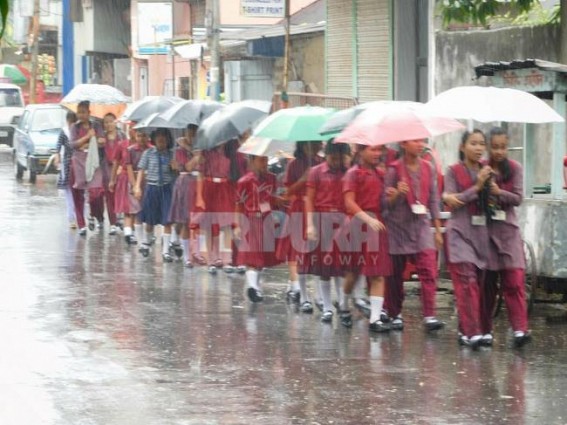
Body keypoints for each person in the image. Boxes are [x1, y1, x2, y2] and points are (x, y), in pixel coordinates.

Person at [384, 139, 445, 332]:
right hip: (398, 228)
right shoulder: (393, 170)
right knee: (395, 275)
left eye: (423, 141)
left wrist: (437, 228)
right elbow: (385, 205)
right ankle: (395, 313)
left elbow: (434, 200)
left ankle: (429, 315)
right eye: (415, 140)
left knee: (428, 270)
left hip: (421, 227)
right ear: (403, 143)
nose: (420, 144)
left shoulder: (428, 168)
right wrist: (397, 194)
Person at [480, 127, 531, 348]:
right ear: (489, 147)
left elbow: (518, 198)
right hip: (487, 232)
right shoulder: (482, 167)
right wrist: (482, 185)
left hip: (508, 232)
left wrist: (498, 192)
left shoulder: (515, 168)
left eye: (503, 147)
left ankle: (520, 329)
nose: (499, 151)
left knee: (514, 281)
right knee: (487, 283)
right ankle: (484, 329)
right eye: (495, 147)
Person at [443, 130, 491, 349]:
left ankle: (465, 330)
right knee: (467, 282)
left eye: (482, 144)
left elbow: (495, 202)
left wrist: (490, 189)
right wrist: (477, 187)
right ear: (462, 147)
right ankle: (472, 332)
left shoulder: (488, 171)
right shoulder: (452, 172)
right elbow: (453, 201)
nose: (479, 148)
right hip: (459, 234)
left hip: (481, 236)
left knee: (478, 285)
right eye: (473, 143)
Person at [339, 144, 392, 333]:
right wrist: (367, 218)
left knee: (378, 273)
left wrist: (392, 196)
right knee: (353, 272)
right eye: (372, 149)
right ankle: (344, 305)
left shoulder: (380, 174)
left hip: (376, 226)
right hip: (356, 225)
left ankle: (375, 319)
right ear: (360, 151)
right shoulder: (353, 174)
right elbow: (349, 202)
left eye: (380, 150)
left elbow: (383, 202)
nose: (377, 153)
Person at [304, 142, 351, 322]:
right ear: (326, 155)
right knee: (324, 267)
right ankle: (327, 306)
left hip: (343, 222)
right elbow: (309, 199)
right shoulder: (316, 172)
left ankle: (341, 302)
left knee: (341, 265)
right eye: (333, 158)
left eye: (340, 158)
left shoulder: (349, 172)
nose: (336, 162)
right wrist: (310, 225)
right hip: (321, 220)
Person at [277, 141, 324, 308]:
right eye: (311, 144)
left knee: (316, 250)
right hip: (298, 208)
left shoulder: (322, 163)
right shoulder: (294, 164)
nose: (316, 147)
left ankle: (318, 293)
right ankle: (297, 286)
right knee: (296, 249)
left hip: (316, 209)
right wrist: (304, 179)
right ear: (303, 145)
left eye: (318, 143)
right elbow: (287, 192)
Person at [234, 154, 280, 302]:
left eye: (266, 160)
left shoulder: (272, 178)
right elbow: (238, 204)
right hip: (250, 220)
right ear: (252, 161)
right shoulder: (244, 181)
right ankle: (252, 287)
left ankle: (256, 287)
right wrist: (237, 225)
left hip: (266, 220)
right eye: (261, 160)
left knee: (262, 257)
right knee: (252, 256)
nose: (264, 163)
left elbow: (271, 199)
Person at [197, 138, 247, 274]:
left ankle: (227, 260)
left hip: (226, 187)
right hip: (209, 186)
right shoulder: (206, 151)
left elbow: (240, 171)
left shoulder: (233, 152)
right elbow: (200, 175)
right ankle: (211, 260)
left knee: (226, 224)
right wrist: (199, 197)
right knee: (208, 224)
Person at [134, 128, 175, 262]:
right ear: (154, 139)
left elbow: (177, 173)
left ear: (168, 139)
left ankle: (165, 251)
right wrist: (137, 186)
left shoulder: (171, 155)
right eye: (158, 137)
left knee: (167, 220)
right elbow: (141, 170)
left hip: (167, 188)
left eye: (164, 137)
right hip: (151, 187)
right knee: (149, 219)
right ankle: (146, 242)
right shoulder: (148, 153)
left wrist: (175, 167)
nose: (161, 139)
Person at [168, 127, 203, 267]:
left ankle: (197, 252)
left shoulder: (201, 148)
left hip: (199, 184)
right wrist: (195, 155)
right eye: (190, 132)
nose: (192, 135)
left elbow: (203, 165)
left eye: (195, 133)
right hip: (184, 185)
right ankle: (187, 256)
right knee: (184, 221)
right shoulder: (179, 150)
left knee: (198, 221)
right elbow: (187, 167)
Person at [69, 100, 104, 236]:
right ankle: (81, 224)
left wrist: (90, 143)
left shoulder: (96, 125)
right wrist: (87, 138)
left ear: (89, 113)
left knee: (96, 192)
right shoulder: (74, 127)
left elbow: (102, 141)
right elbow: (73, 144)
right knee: (78, 194)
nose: (81, 115)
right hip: (78, 162)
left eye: (83, 112)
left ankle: (95, 215)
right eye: (78, 112)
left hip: (93, 161)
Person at [111, 129, 151, 245]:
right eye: (138, 134)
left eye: (144, 135)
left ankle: (139, 233)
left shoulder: (151, 149)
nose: (141, 138)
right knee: (130, 208)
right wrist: (113, 179)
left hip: (146, 180)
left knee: (142, 208)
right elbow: (118, 163)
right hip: (129, 178)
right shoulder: (126, 147)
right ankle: (129, 233)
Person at [91, 113, 126, 235]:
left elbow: (126, 153)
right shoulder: (102, 138)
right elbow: (95, 155)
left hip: (120, 169)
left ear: (115, 122)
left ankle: (120, 218)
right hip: (106, 169)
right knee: (109, 197)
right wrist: (97, 142)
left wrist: (122, 166)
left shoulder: (122, 136)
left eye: (111, 121)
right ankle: (112, 222)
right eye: (105, 122)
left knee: (120, 195)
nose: (108, 124)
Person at [55, 111, 78, 229]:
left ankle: (78, 217)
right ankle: (71, 218)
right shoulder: (64, 132)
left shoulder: (79, 132)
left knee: (78, 191)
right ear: (68, 122)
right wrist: (57, 156)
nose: (71, 125)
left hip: (79, 164)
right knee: (69, 191)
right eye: (70, 123)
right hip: (67, 164)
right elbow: (58, 146)